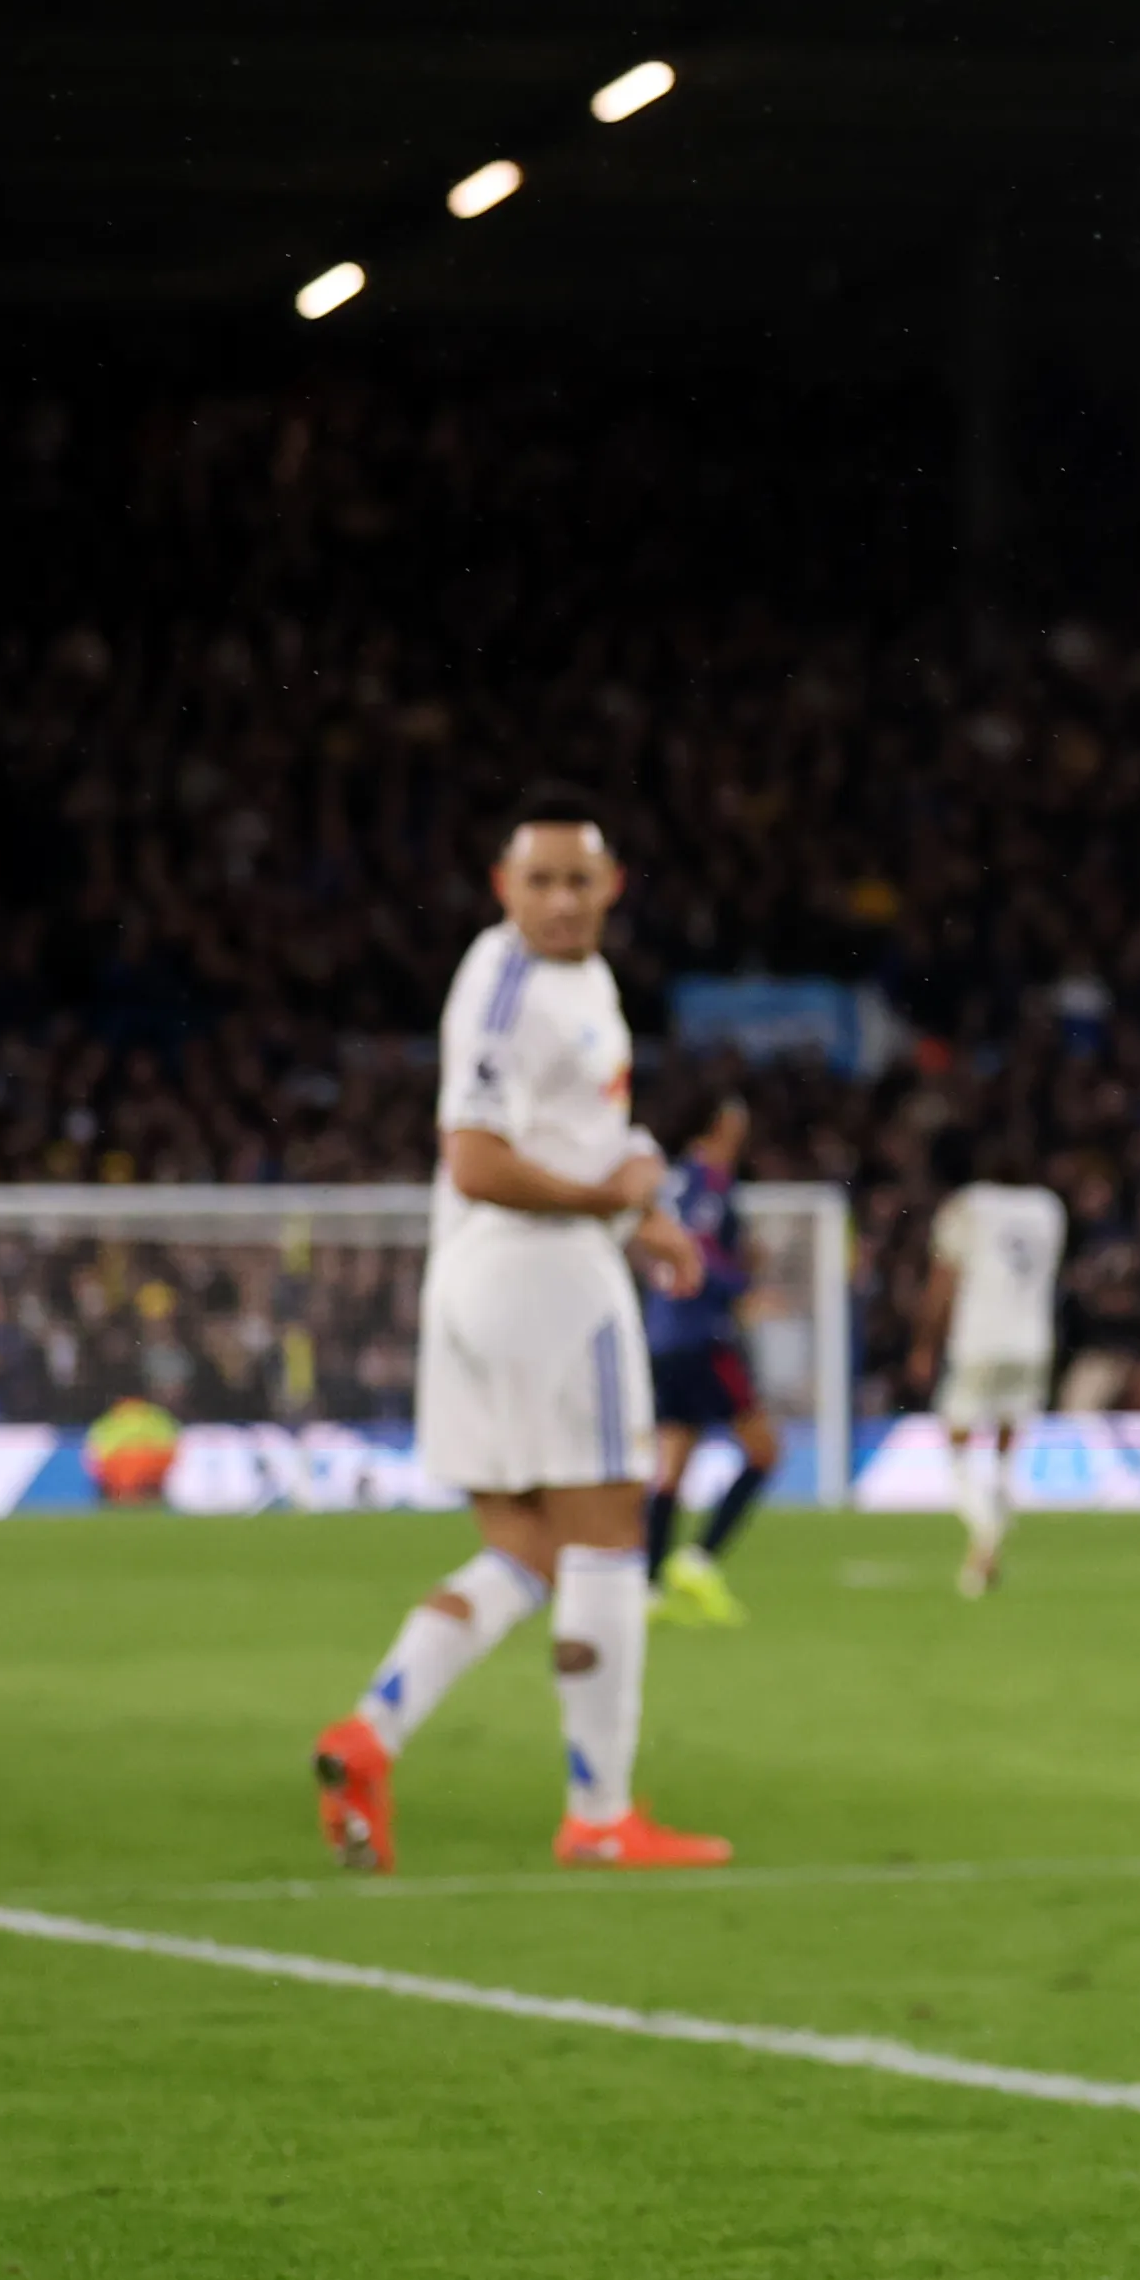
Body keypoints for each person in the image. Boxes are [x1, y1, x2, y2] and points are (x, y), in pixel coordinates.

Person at [307, 791, 730, 1873]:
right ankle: (599, 1814)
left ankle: (370, 1731)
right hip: (543, 1281)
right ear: (503, 888)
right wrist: (611, 1205)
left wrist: (646, 1211)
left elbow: (575, 1133)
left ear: (611, 887)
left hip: (480, 1282)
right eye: (537, 880)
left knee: (524, 1548)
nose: (557, 898)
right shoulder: (505, 989)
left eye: (576, 880)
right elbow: (478, 1158)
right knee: (605, 1538)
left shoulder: (578, 983)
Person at [911, 1129, 1066, 1600]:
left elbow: (944, 1278)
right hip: (1033, 1341)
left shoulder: (968, 1205)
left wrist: (924, 1344)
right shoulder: (1049, 1209)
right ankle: (998, 1499)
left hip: (980, 1339)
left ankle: (985, 1530)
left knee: (955, 1435)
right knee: (1005, 1436)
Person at [644, 1090, 778, 1626]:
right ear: (719, 1126)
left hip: (664, 1337)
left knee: (671, 1467)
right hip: (703, 1337)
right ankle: (699, 1560)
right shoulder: (710, 1181)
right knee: (766, 1451)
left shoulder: (672, 1182)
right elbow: (696, 1253)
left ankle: (649, 1589)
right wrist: (743, 1288)